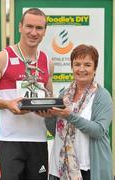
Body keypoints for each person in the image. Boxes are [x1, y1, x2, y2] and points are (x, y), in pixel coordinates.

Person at [0, 8, 54, 180]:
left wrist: (50, 110)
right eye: (29, 26)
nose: (34, 32)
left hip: (38, 142)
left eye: (39, 28)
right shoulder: (2, 58)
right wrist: (7, 104)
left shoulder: (47, 62)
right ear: (19, 27)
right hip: (9, 142)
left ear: (45, 31)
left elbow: (49, 98)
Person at [43, 44, 113, 180]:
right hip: (61, 168)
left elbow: (99, 130)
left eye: (87, 65)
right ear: (72, 67)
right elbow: (56, 131)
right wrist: (48, 117)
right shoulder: (64, 94)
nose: (81, 69)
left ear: (95, 68)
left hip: (88, 169)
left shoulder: (102, 96)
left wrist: (70, 116)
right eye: (77, 64)